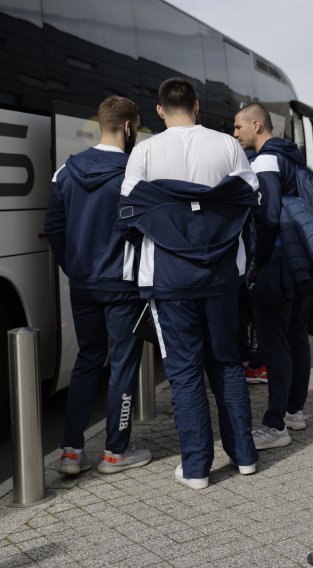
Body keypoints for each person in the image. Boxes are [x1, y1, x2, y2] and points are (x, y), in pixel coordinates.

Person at [121, 78, 258, 489]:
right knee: (227, 363)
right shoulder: (228, 145)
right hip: (220, 275)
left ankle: (197, 468)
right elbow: (251, 199)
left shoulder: (144, 151)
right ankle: (245, 457)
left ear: (160, 110)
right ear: (197, 106)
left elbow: (127, 210)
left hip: (169, 277)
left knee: (183, 373)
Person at [44, 96, 152, 476]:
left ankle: (71, 451)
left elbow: (54, 228)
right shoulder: (134, 173)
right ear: (128, 126)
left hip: (83, 284)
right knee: (123, 362)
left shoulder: (65, 171)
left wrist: (73, 267)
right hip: (123, 284)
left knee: (88, 360)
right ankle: (115, 452)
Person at [233, 102, 312, 449]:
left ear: (256, 126)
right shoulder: (291, 156)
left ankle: (274, 424)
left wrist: (256, 263)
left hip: (275, 263)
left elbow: (268, 216)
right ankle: (294, 410)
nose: (235, 134)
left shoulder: (265, 160)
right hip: (298, 260)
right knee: (295, 337)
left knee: (273, 344)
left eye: (238, 127)